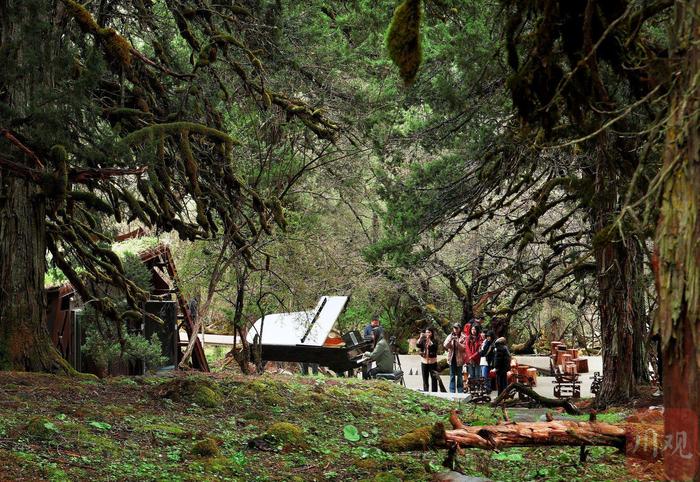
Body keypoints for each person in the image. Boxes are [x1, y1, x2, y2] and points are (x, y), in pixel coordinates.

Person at [443, 323, 466, 393]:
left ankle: (460, 390)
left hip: (459, 359)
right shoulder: (450, 336)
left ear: (460, 329)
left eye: (457, 328)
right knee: (452, 375)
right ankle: (452, 391)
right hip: (451, 358)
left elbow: (464, 348)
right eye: (454, 328)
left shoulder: (463, 337)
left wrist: (457, 342)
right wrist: (450, 340)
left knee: (459, 375)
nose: (455, 330)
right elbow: (445, 345)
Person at [416, 327, 439, 392]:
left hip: (433, 362)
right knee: (425, 379)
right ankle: (426, 392)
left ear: (432, 333)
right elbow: (418, 345)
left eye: (429, 332)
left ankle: (435, 393)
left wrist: (429, 340)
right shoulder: (423, 340)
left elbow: (434, 347)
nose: (427, 333)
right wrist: (420, 337)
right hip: (424, 362)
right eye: (426, 332)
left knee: (434, 379)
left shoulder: (435, 340)